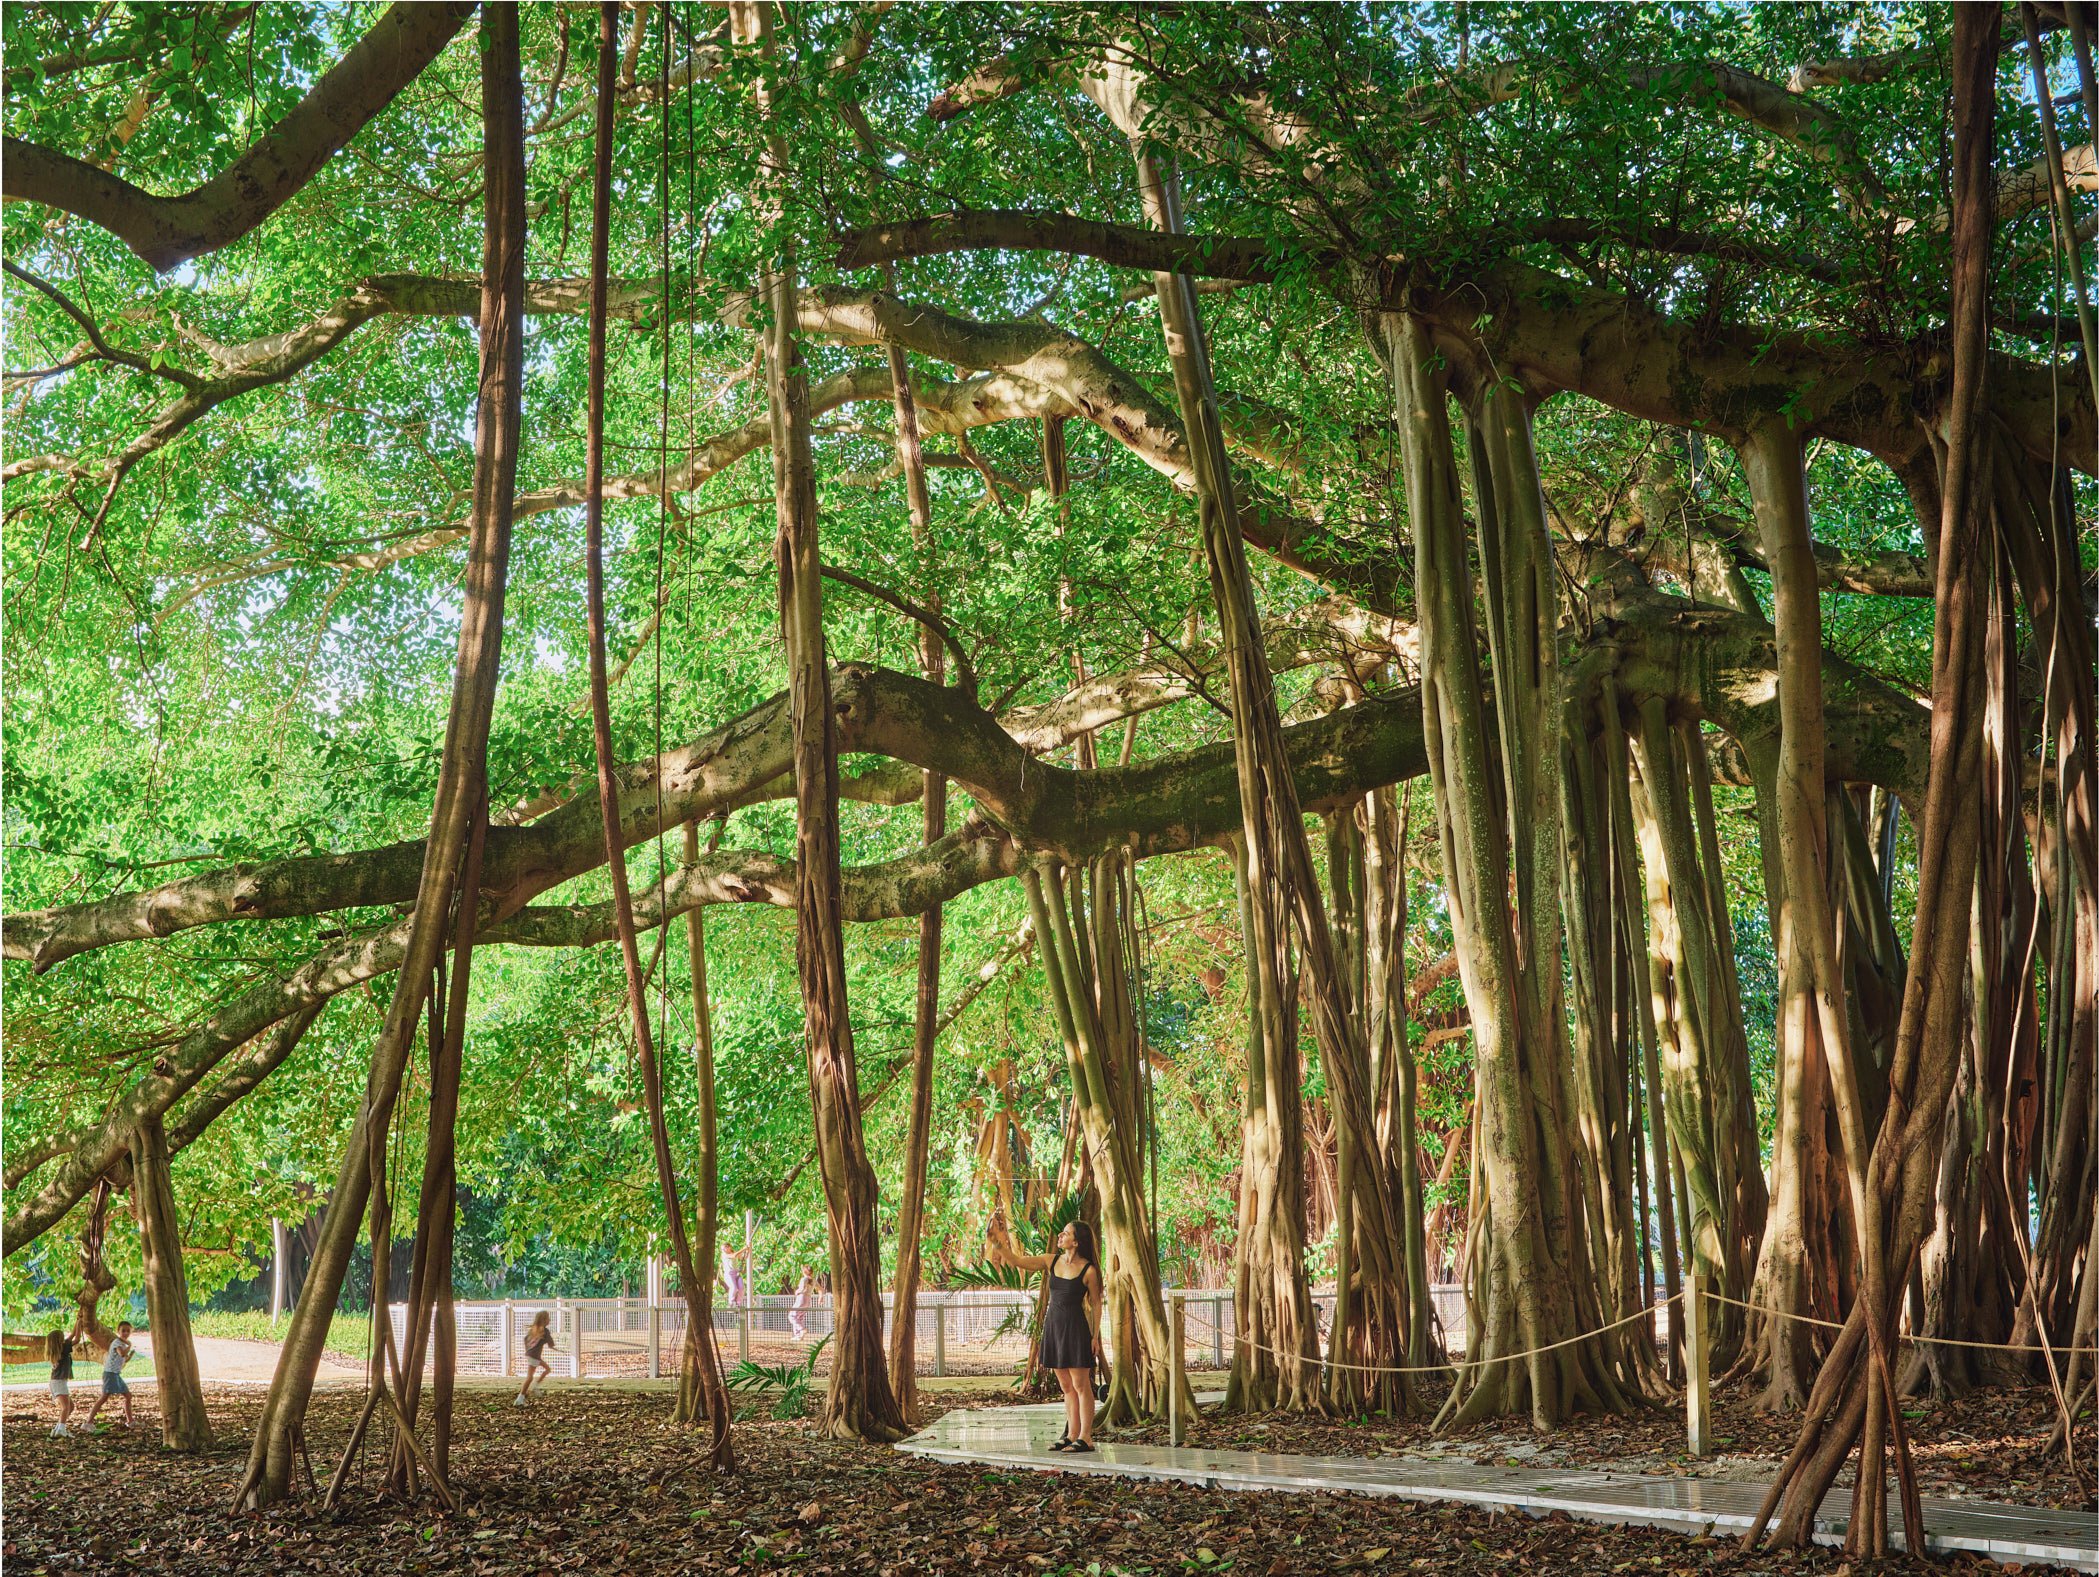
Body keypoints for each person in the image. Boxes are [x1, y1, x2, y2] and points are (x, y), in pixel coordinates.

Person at [990, 1218, 1105, 1453]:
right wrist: (998, 1244)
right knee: (1066, 1386)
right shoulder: (1051, 1260)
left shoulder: (1088, 1270)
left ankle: (1086, 1436)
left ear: (1076, 1241)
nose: (1060, 1236)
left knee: (1081, 1385)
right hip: (1054, 1327)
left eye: (1066, 1233)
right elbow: (1017, 1261)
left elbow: (1096, 1303)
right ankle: (1072, 1434)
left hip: (1076, 1330)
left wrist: (1095, 1336)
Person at [84, 1321, 136, 1431]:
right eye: (123, 1331)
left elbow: (122, 1358)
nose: (126, 1333)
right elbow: (121, 1353)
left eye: (128, 1331)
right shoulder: (117, 1342)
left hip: (116, 1374)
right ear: (118, 1331)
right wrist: (129, 1346)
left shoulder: (122, 1344)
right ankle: (88, 1422)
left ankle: (130, 1421)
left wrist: (129, 1356)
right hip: (110, 1373)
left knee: (128, 1396)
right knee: (104, 1397)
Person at [514, 1310, 559, 1405]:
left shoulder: (533, 1329)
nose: (549, 1320)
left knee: (547, 1369)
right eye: (548, 1318)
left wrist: (528, 1350)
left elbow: (525, 1339)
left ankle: (534, 1387)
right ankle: (520, 1398)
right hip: (534, 1356)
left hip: (532, 1355)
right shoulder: (545, 1331)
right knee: (530, 1377)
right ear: (544, 1320)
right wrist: (555, 1348)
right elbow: (551, 1344)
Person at [46, 1327, 77, 1437]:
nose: (64, 1339)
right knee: (66, 1407)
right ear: (59, 1340)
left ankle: (58, 1427)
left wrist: (79, 1321)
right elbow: (75, 1338)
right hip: (59, 1382)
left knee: (70, 1406)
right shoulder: (63, 1349)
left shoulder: (57, 1350)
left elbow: (73, 1336)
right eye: (62, 1337)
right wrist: (79, 1322)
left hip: (56, 1382)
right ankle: (62, 1429)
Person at [789, 1268, 813, 1341]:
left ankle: (801, 1329)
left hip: (801, 1298)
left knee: (792, 1316)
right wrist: (821, 1297)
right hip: (808, 1299)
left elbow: (802, 1288)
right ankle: (798, 1336)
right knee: (800, 1317)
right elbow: (821, 1289)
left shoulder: (804, 1279)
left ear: (804, 1271)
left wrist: (797, 1292)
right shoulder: (813, 1280)